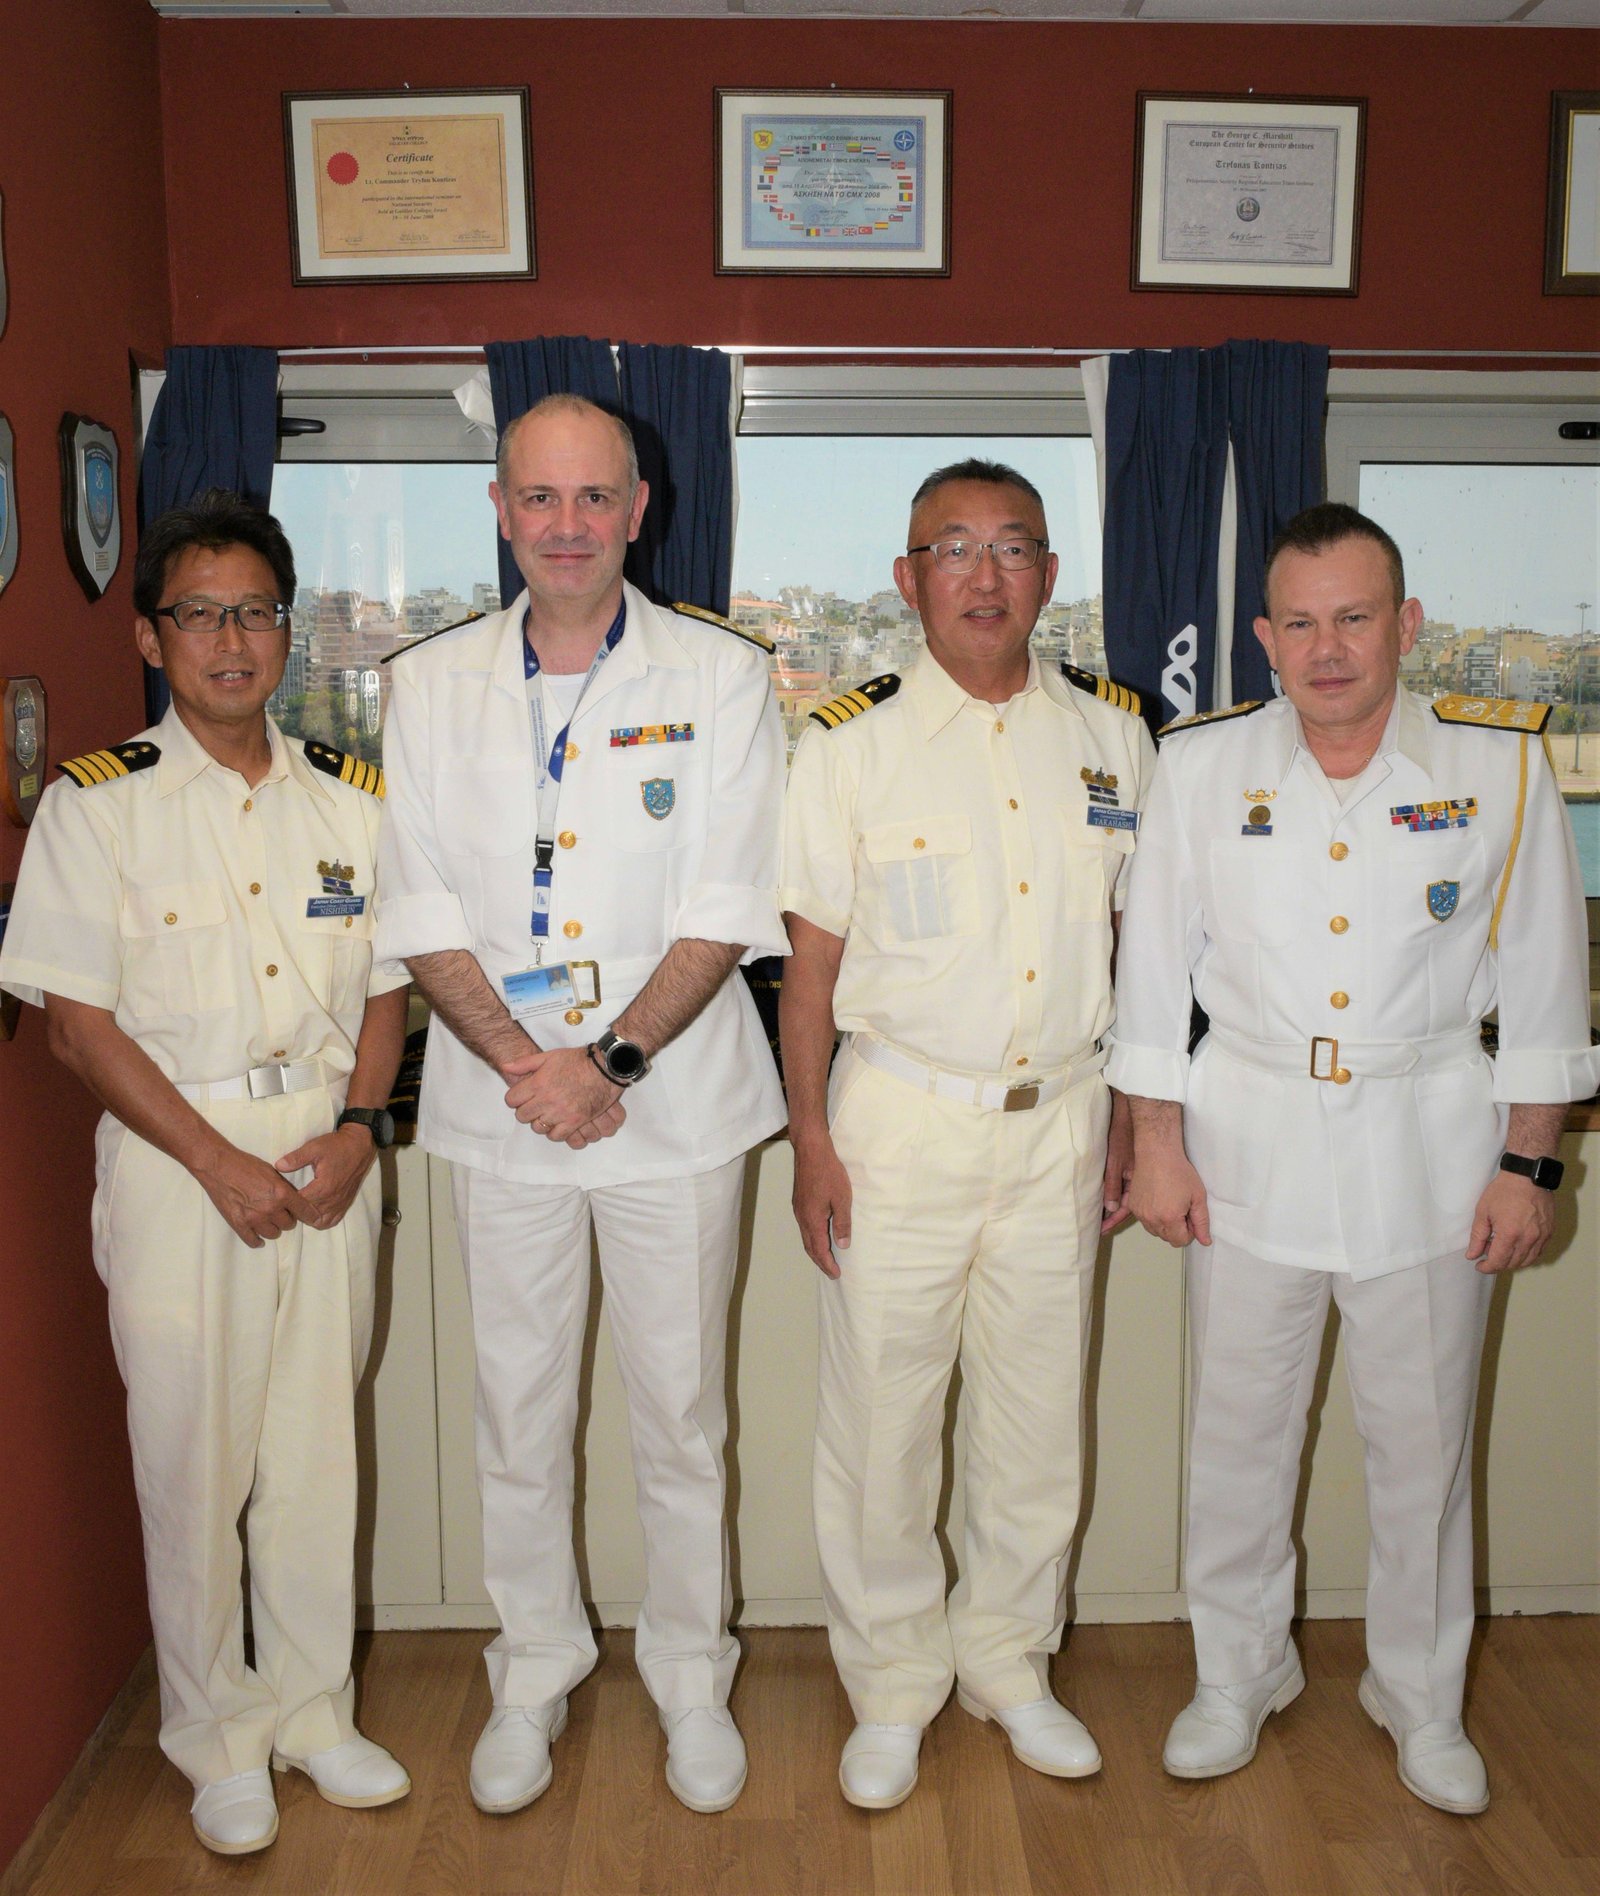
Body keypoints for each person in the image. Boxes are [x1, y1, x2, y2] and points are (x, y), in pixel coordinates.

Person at [1109, 502, 1598, 1815]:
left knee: (1422, 1452)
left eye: (1355, 619)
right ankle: (1236, 1675)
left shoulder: (1497, 768)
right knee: (1236, 1439)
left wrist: (1530, 1167)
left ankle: (1419, 1696)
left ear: (1406, 625)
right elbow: (1150, 978)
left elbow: (1546, 988)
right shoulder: (1202, 768)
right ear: (1266, 637)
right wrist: (1155, 1146)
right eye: (1302, 623)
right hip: (1246, 1143)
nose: (1328, 650)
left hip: (1431, 1152)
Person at [375, 394, 787, 1816]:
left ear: (638, 509)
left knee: (681, 1415)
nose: (567, 525)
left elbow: (727, 902)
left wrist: (604, 1065)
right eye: (540, 498)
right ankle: (532, 1671)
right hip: (506, 1116)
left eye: (594, 497)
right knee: (518, 1414)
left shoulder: (723, 677)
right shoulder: (427, 684)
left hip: (671, 1113)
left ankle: (691, 1675)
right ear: (501, 511)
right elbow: (420, 909)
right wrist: (527, 1068)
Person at [0, 492, 411, 1856]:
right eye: (199, 614)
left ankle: (313, 1712)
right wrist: (217, 1162)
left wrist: (360, 1129)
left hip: (328, 1157)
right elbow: (77, 1026)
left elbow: (386, 989)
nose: (231, 641)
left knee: (316, 1453)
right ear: (151, 635)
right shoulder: (98, 807)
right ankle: (218, 1740)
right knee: (192, 1467)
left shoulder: (352, 798)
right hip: (183, 1171)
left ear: (286, 629)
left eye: (255, 612)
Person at [778, 459, 1155, 1810]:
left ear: (1050, 574)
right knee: (882, 1426)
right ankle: (893, 1684)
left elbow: (1139, 954)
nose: (986, 576)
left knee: (1037, 1422)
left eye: (1013, 548)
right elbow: (809, 972)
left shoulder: (1114, 739)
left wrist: (1134, 1123)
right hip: (899, 1126)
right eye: (954, 548)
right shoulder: (848, 744)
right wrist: (812, 1144)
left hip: (1064, 1120)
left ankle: (1007, 1661)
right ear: (908, 577)